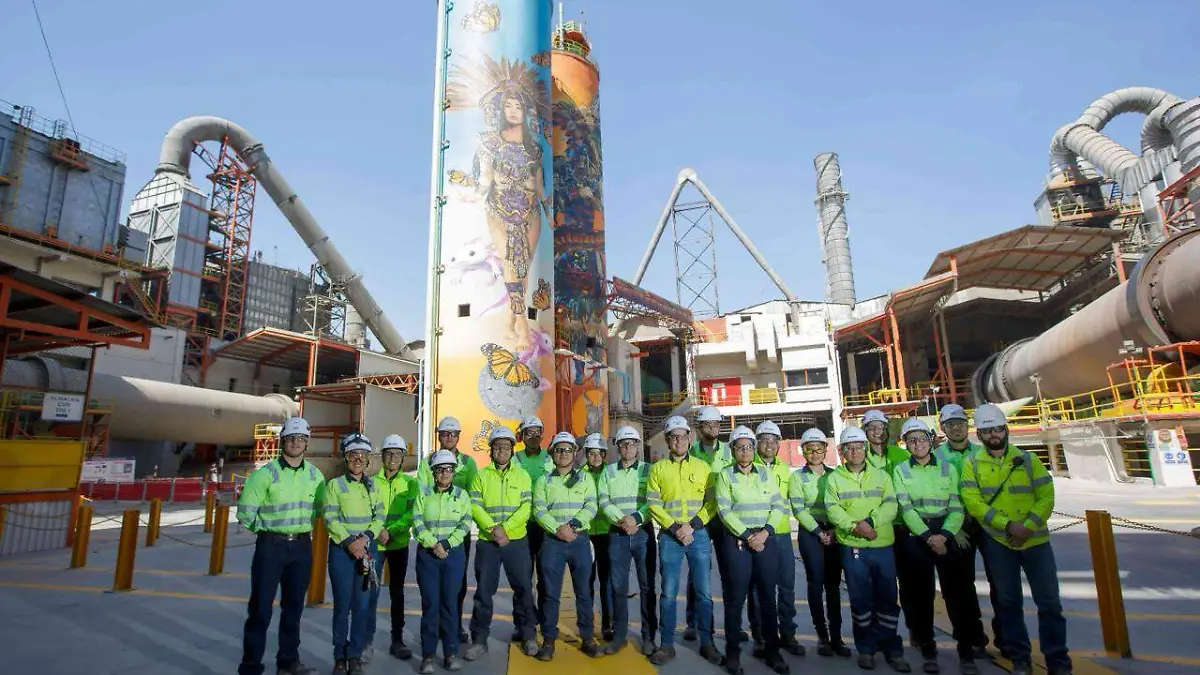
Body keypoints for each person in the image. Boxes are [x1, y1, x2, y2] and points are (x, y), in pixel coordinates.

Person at [960, 404, 1070, 675]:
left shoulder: (1029, 460)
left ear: (1006, 430)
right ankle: (1020, 659)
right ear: (980, 435)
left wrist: (1029, 526)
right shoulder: (971, 465)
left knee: (1049, 603)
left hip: (1035, 542)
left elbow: (1046, 495)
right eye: (987, 431)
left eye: (997, 429)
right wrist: (1007, 526)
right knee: (1008, 602)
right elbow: (973, 503)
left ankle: (1057, 661)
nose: (993, 435)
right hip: (999, 541)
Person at [892, 418, 981, 675]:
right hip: (918, 536)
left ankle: (966, 653)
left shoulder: (946, 468)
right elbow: (906, 508)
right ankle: (928, 650)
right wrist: (928, 537)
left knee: (958, 595)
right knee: (922, 597)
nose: (917, 444)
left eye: (921, 438)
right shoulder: (901, 470)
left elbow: (956, 506)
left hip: (945, 532)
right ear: (906, 444)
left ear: (931, 440)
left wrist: (944, 535)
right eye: (912, 440)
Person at [236, 416, 323, 675]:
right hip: (270, 546)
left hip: (300, 547)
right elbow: (246, 512)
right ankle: (251, 666)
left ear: (307, 443)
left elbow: (318, 511)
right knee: (261, 609)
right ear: (282, 441)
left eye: (301, 439)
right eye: (291, 438)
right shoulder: (265, 475)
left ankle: (288, 662)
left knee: (293, 608)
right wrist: (266, 532)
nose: (296, 443)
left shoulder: (315, 476)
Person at [826, 426, 910, 672]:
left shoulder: (882, 476)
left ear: (865, 449)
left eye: (859, 447)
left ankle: (892, 649)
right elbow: (833, 509)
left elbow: (891, 505)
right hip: (853, 547)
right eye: (850, 448)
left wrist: (870, 524)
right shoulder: (835, 478)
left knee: (887, 599)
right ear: (842, 451)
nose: (855, 452)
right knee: (860, 600)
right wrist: (856, 527)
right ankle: (866, 649)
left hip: (882, 545)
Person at [646, 415, 723, 666]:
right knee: (668, 593)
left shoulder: (703, 468)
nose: (678, 440)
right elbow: (653, 503)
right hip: (670, 536)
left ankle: (707, 643)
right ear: (668, 440)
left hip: (698, 534)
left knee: (704, 592)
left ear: (690, 438)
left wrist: (692, 525)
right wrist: (674, 527)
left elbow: (712, 502)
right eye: (673, 436)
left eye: (682, 435)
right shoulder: (657, 469)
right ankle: (666, 645)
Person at [715, 425, 791, 675]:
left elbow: (779, 505)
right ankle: (733, 653)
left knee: (768, 597)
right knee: (735, 599)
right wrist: (748, 536)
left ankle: (773, 652)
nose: (745, 451)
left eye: (749, 446)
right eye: (740, 447)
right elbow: (724, 510)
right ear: (733, 450)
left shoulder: (765, 474)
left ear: (753, 448)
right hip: (738, 541)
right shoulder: (726, 475)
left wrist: (766, 532)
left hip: (765, 538)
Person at [465, 426, 539, 660]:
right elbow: (474, 506)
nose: (502, 450)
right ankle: (479, 639)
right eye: (498, 447)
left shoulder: (522, 475)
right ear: (491, 450)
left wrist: (505, 529)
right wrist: (493, 530)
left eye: (506, 446)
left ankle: (527, 634)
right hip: (488, 543)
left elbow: (526, 508)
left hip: (516, 541)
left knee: (524, 589)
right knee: (484, 592)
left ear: (512, 449)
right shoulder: (481, 475)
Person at [935, 403, 999, 659]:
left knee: (1001, 583)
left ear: (968, 425)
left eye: (960, 422)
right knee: (959, 585)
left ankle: (1003, 636)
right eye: (951, 424)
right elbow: (937, 495)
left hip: (987, 524)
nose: (957, 427)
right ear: (943, 428)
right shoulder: (937, 457)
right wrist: (952, 529)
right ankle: (972, 638)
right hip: (956, 527)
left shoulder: (983, 453)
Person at [532, 431, 603, 660]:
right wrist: (557, 529)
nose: (563, 454)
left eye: (568, 450)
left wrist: (572, 526)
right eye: (559, 449)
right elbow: (539, 509)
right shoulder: (544, 480)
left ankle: (588, 638)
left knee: (583, 592)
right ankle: (549, 640)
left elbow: (591, 505)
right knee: (550, 594)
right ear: (552, 453)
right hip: (552, 542)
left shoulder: (585, 479)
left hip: (578, 540)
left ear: (575, 454)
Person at [323, 433, 386, 675]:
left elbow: (380, 516)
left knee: (361, 606)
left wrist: (366, 538)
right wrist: (350, 542)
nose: (358, 459)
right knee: (342, 606)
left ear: (368, 459)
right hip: (342, 552)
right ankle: (340, 656)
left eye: (362, 455)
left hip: (366, 553)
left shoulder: (374, 486)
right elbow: (330, 517)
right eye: (353, 455)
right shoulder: (334, 485)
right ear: (346, 457)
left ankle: (355, 656)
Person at [789, 428, 852, 658]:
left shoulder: (835, 475)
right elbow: (798, 508)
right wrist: (818, 532)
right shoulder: (797, 478)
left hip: (834, 531)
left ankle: (836, 636)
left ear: (826, 450)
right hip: (811, 533)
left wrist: (834, 530)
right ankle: (822, 637)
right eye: (810, 448)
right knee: (815, 583)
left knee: (833, 585)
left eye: (819, 448)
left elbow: (843, 504)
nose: (815, 453)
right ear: (803, 451)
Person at [416, 416, 479, 644]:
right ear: (438, 436)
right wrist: (432, 540)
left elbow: (472, 494)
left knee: (457, 583)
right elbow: (422, 493)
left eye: (453, 434)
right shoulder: (426, 463)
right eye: (444, 434)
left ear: (458, 436)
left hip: (457, 533)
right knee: (432, 591)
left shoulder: (468, 463)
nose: (449, 437)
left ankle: (454, 625)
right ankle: (438, 629)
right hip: (432, 535)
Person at [598, 425, 658, 656]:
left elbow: (653, 500)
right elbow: (604, 501)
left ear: (638, 447)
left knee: (647, 587)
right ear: (618, 447)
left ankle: (648, 637)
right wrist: (622, 520)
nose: (628, 447)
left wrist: (636, 518)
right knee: (618, 587)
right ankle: (620, 636)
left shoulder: (648, 470)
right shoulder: (608, 472)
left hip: (643, 533)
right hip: (617, 534)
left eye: (632, 443)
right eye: (623, 444)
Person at [413, 450, 473, 674]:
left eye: (449, 469)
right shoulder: (423, 495)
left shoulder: (462, 496)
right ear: (434, 472)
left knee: (450, 604)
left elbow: (466, 523)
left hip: (452, 555)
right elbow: (417, 523)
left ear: (453, 471)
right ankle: (428, 655)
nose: (445, 473)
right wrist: (433, 544)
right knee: (430, 605)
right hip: (428, 556)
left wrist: (446, 545)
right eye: (440, 469)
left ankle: (450, 653)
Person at [747, 420, 804, 657]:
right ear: (756, 443)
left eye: (773, 440)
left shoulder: (785, 470)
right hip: (758, 536)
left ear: (779, 444)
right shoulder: (748, 466)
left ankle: (788, 634)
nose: (769, 445)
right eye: (764, 440)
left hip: (781, 536)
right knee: (759, 589)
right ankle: (760, 636)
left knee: (787, 587)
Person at [684, 405, 734, 643]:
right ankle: (693, 623)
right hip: (700, 518)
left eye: (716, 424)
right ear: (700, 427)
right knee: (697, 574)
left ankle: (733, 625)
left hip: (725, 518)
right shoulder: (691, 452)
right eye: (707, 424)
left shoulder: (730, 451)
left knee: (730, 572)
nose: (712, 428)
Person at [376, 434, 418, 661]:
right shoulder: (372, 482)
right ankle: (364, 641)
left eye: (397, 454)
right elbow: (369, 512)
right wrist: (378, 531)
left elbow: (410, 514)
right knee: (368, 593)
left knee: (397, 593)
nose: (393, 458)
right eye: (389, 453)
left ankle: (397, 639)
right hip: (376, 546)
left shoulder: (410, 484)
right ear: (382, 456)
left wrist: (391, 531)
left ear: (403, 458)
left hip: (398, 544)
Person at [514, 414, 552, 625]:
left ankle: (546, 619)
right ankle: (523, 623)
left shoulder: (550, 458)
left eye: (537, 432)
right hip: (522, 526)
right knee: (522, 579)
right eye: (529, 433)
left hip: (544, 526)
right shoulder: (515, 459)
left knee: (545, 577)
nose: (534, 437)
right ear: (522, 436)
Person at [583, 432, 615, 643]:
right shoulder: (577, 475)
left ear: (604, 455)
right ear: (586, 455)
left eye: (599, 453)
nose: (595, 457)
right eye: (591, 453)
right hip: (585, 535)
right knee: (586, 582)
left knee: (607, 582)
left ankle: (608, 625)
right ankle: (586, 626)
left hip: (607, 533)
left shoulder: (611, 474)